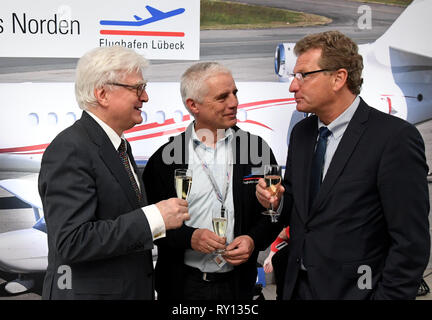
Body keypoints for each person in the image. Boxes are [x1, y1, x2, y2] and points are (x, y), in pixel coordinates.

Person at [256, 30, 430, 300]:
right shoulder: (302, 135)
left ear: (339, 78)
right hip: (295, 290)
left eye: (304, 75)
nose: (292, 86)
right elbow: (300, 209)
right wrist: (277, 202)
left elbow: (411, 243)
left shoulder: (394, 139)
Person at [38, 46, 190, 300]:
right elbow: (72, 241)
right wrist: (154, 217)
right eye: (137, 88)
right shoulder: (70, 148)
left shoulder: (117, 145)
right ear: (102, 94)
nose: (146, 97)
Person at [143, 62, 280, 300]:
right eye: (222, 97)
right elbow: (150, 226)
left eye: (235, 93)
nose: (234, 102)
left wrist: (253, 239)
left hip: (238, 287)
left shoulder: (257, 150)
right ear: (193, 105)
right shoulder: (164, 160)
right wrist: (189, 238)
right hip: (182, 288)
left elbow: (274, 213)